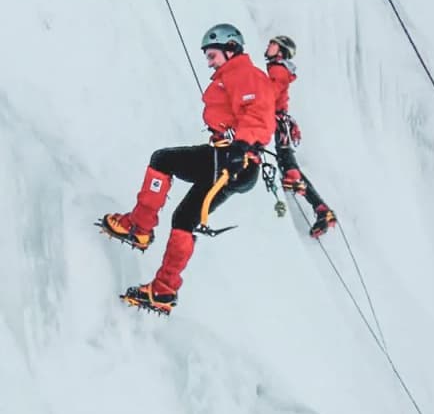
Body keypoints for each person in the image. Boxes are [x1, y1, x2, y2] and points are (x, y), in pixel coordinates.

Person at [98, 24, 275, 315]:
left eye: (213, 54)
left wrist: (241, 147)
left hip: (233, 160)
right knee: (184, 218)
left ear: (231, 49)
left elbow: (257, 113)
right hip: (230, 160)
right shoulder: (231, 76)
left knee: (163, 161)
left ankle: (139, 227)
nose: (209, 61)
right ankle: (163, 291)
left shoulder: (244, 75)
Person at [265, 35, 336, 238]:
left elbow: (268, 95)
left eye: (273, 45)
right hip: (281, 123)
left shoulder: (277, 70)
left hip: (276, 122)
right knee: (287, 161)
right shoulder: (278, 69)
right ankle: (322, 209)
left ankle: (318, 205)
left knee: (288, 164)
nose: (268, 46)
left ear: (281, 51)